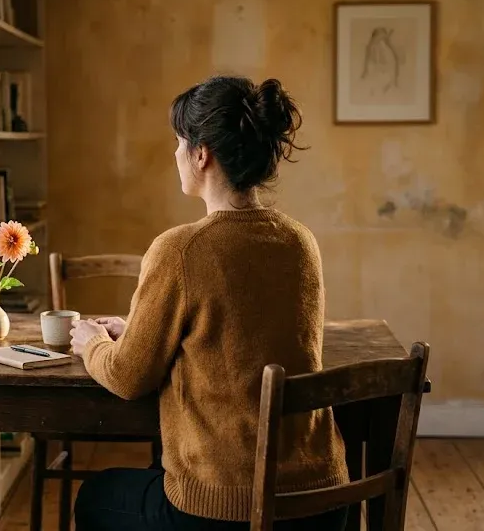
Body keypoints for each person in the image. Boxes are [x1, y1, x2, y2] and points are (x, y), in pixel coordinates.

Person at [69, 76, 350, 531]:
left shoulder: (181, 249)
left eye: (180, 142)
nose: (175, 154)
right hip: (321, 500)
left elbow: (127, 378)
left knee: (96, 498)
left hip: (228, 507)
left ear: (202, 154)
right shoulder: (301, 241)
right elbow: (241, 334)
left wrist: (94, 344)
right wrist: (136, 328)